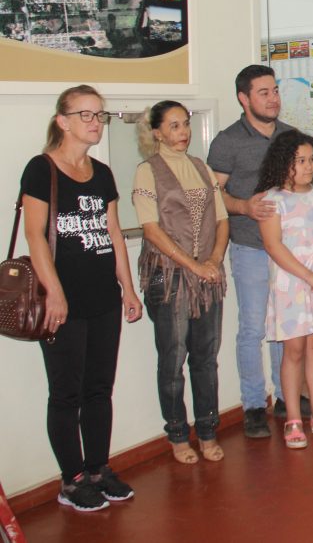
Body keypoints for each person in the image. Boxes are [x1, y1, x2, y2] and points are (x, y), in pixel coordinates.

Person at [20, 85, 142, 512]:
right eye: (85, 114)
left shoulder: (102, 173)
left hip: (103, 298)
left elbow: (113, 234)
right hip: (63, 303)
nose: (95, 122)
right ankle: (71, 481)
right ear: (63, 121)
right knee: (65, 393)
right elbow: (34, 235)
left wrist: (127, 288)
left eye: (99, 115)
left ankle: (97, 470)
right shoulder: (41, 169)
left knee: (99, 390)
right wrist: (55, 293)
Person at [208, 65, 313, 439]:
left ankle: (286, 398)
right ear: (244, 98)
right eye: (263, 92)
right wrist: (243, 206)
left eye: (275, 91)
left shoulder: (290, 137)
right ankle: (255, 405)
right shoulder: (228, 141)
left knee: (285, 327)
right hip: (251, 247)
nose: (273, 99)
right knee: (254, 328)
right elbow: (213, 195)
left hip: (290, 251)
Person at [132, 101, 229, 464]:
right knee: (173, 360)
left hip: (207, 277)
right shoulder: (147, 171)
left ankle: (207, 431)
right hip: (169, 278)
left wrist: (213, 260)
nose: (183, 131)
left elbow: (222, 220)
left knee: (206, 359)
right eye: (174, 126)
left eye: (185, 124)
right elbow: (151, 230)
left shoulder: (201, 168)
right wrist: (193, 265)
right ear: (156, 132)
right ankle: (177, 435)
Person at [256, 130, 313, 449]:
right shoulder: (272, 201)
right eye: (300, 161)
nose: (308, 167)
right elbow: (273, 245)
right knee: (294, 349)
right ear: (284, 163)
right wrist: (309, 276)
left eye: (312, 160)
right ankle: (293, 418)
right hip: (292, 285)